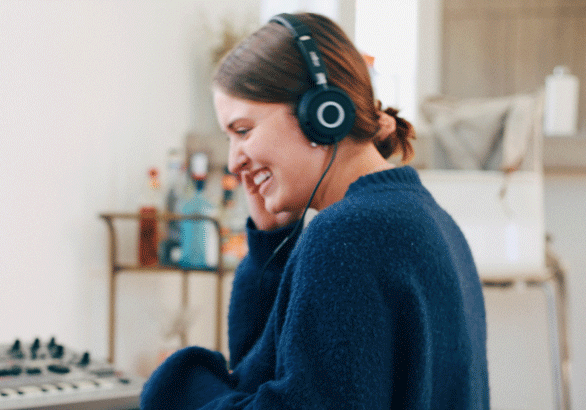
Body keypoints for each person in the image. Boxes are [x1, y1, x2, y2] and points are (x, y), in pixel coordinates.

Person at [140, 12, 489, 409]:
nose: (235, 161)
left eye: (243, 131)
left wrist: (181, 385)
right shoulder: (431, 220)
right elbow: (264, 376)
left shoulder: (347, 235)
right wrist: (270, 241)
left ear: (321, 114)